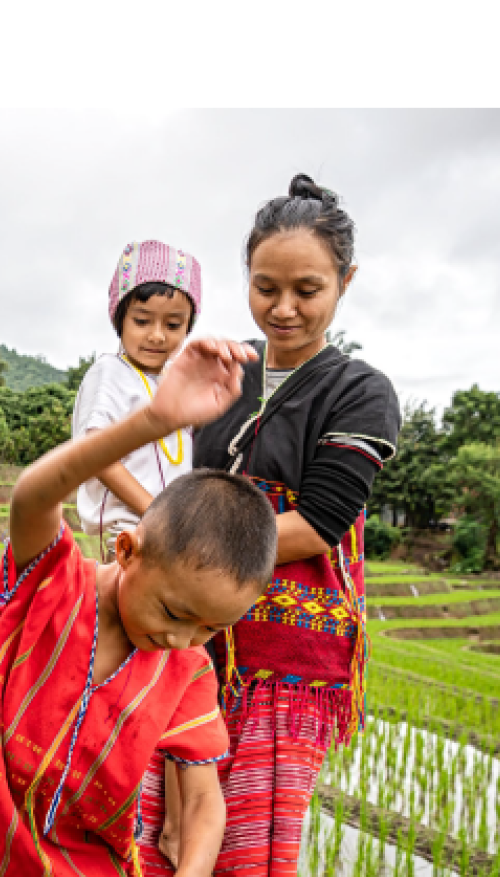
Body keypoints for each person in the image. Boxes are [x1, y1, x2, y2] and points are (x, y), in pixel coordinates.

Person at [0, 338, 277, 877]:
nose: (183, 639)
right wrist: (152, 420)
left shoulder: (186, 673)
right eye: (175, 614)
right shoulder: (53, 583)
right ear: (127, 549)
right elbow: (33, 495)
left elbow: (203, 802)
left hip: (85, 863)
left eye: (212, 628)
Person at [139, 176, 401, 876]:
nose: (282, 309)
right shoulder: (225, 374)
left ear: (345, 281)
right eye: (265, 288)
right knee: (154, 838)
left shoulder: (360, 391)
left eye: (307, 290)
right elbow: (185, 483)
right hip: (186, 640)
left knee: (248, 852)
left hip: (282, 664)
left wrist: (178, 563)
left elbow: (316, 524)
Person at [73, 239, 203, 559]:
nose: (157, 335)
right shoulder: (110, 373)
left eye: (173, 324)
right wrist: (157, 513)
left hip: (170, 532)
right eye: (142, 321)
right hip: (129, 533)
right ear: (120, 319)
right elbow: (98, 455)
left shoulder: (176, 384)